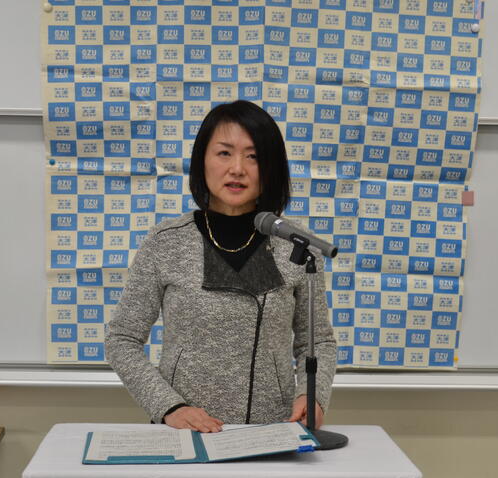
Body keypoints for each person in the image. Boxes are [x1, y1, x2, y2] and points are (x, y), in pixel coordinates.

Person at [105, 100, 336, 433]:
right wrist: (169, 407)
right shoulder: (166, 242)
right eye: (224, 153)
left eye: (253, 156)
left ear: (271, 167)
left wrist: (312, 397)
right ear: (202, 160)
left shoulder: (296, 246)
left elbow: (318, 343)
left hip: (273, 433)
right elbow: (122, 339)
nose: (237, 169)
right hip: (186, 433)